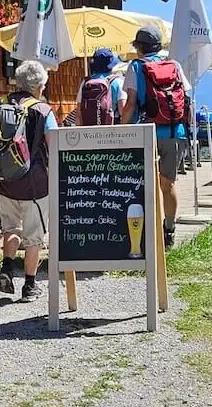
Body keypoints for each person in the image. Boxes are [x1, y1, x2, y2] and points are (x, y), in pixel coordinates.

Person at [0, 60, 58, 301]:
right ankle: (30, 286)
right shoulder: (44, 111)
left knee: (10, 229)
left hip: (3, 182)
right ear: (39, 86)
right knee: (33, 237)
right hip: (34, 185)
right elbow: (55, 147)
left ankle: (7, 268)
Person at [119, 26, 191, 248]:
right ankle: (169, 230)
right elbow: (186, 98)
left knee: (142, 184)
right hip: (175, 132)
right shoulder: (174, 65)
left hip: (146, 132)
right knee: (168, 184)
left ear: (139, 47)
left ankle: (144, 233)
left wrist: (121, 129)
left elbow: (131, 103)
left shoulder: (136, 67)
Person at [75, 48, 127, 126]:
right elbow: (123, 111)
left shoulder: (85, 82)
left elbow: (78, 114)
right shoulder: (117, 82)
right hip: (111, 130)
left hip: (89, 130)